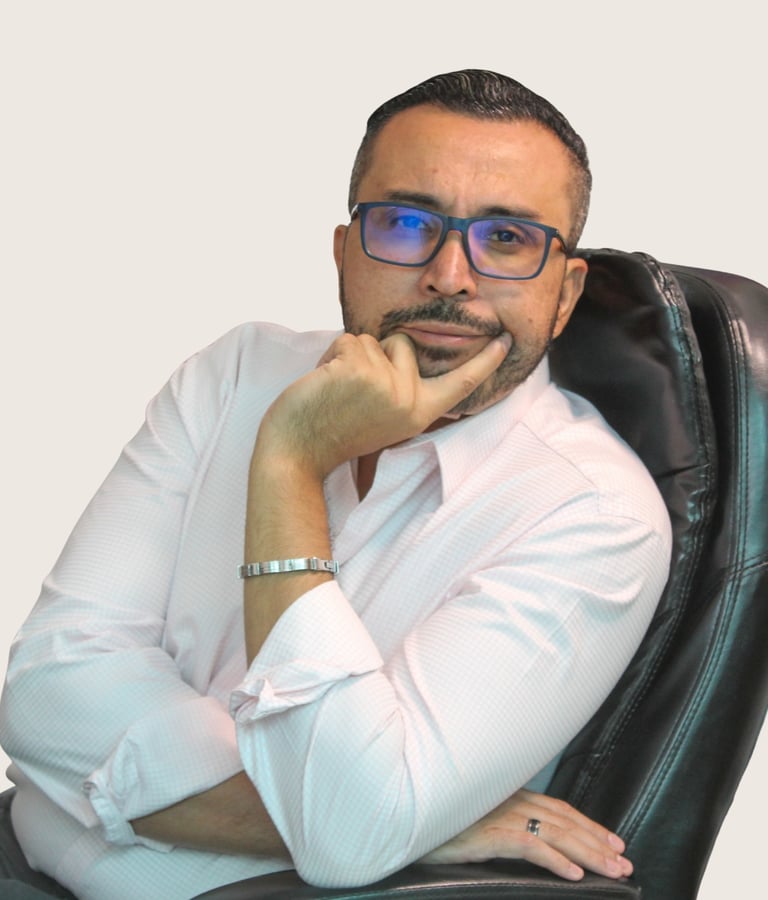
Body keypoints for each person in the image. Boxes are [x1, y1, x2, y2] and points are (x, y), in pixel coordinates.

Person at [0, 69, 672, 900]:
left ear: (564, 294)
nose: (450, 276)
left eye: (507, 239)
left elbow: (350, 832)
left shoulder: (595, 512)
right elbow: (43, 693)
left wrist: (289, 464)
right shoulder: (236, 373)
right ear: (344, 250)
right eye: (406, 223)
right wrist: (387, 822)